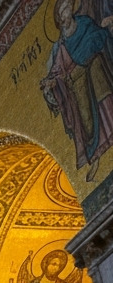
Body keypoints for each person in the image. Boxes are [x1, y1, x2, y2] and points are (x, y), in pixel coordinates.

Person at [43, 0, 113, 180]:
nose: (65, 14)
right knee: (87, 124)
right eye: (62, 13)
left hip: (96, 74)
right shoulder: (61, 45)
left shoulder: (84, 23)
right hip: (78, 87)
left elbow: (98, 36)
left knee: (105, 102)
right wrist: (51, 82)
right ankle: (96, 158)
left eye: (67, 10)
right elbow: (58, 69)